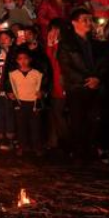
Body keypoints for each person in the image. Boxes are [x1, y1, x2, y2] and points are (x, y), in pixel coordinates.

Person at [57, 8, 104, 161]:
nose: (89, 23)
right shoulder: (66, 43)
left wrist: (97, 79)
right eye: (85, 20)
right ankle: (79, 152)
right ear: (74, 22)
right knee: (78, 121)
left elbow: (104, 62)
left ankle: (92, 149)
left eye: (90, 20)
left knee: (95, 119)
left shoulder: (96, 41)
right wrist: (86, 80)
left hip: (96, 87)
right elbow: (66, 67)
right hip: (77, 88)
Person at [6, 50, 45, 156]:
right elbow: (8, 88)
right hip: (20, 103)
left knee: (35, 126)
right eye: (20, 59)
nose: (23, 61)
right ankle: (22, 146)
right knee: (21, 126)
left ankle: (37, 146)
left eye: (25, 58)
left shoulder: (37, 73)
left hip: (34, 104)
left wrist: (42, 93)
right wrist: (10, 94)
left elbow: (43, 87)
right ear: (16, 61)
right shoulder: (13, 74)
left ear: (30, 60)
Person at [45, 21, 67, 151]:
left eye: (56, 30)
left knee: (58, 112)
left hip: (61, 84)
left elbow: (57, 62)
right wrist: (50, 44)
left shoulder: (64, 46)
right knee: (52, 113)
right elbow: (49, 62)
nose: (53, 33)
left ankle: (68, 140)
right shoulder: (51, 45)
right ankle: (53, 140)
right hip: (52, 83)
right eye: (51, 30)